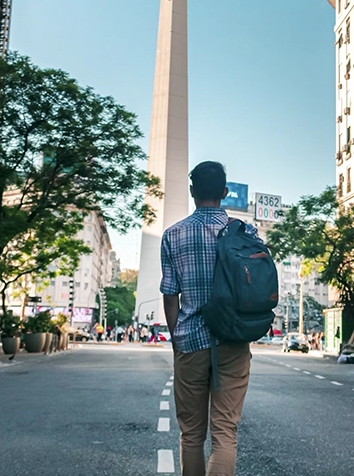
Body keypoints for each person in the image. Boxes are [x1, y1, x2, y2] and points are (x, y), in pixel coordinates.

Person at [161, 161, 256, 476]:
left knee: (191, 435)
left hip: (190, 342)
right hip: (233, 339)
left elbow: (170, 295)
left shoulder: (172, 235)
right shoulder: (244, 231)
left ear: (192, 192)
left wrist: (177, 340)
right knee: (225, 433)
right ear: (225, 192)